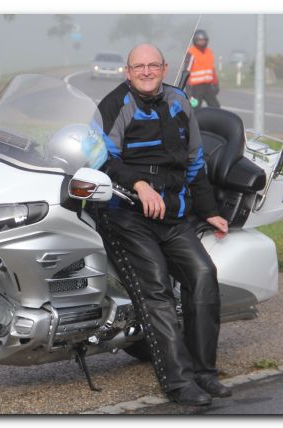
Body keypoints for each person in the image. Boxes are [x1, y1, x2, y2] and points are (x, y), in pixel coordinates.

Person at [96, 43, 231, 406]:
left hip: (173, 214)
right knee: (157, 289)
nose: (145, 71)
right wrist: (138, 185)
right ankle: (177, 382)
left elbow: (195, 161)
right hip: (126, 214)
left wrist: (207, 209)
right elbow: (102, 160)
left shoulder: (179, 102)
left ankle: (204, 372)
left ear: (164, 68)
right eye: (138, 66)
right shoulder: (114, 105)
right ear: (127, 71)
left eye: (152, 65)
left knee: (203, 274)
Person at [184, 29, 220, 108]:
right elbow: (187, 72)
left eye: (203, 40)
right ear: (195, 41)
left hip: (208, 86)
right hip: (195, 88)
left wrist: (216, 83)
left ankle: (212, 120)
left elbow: (212, 70)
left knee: (216, 107)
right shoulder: (191, 52)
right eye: (199, 40)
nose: (202, 42)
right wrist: (189, 92)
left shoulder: (209, 52)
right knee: (195, 109)